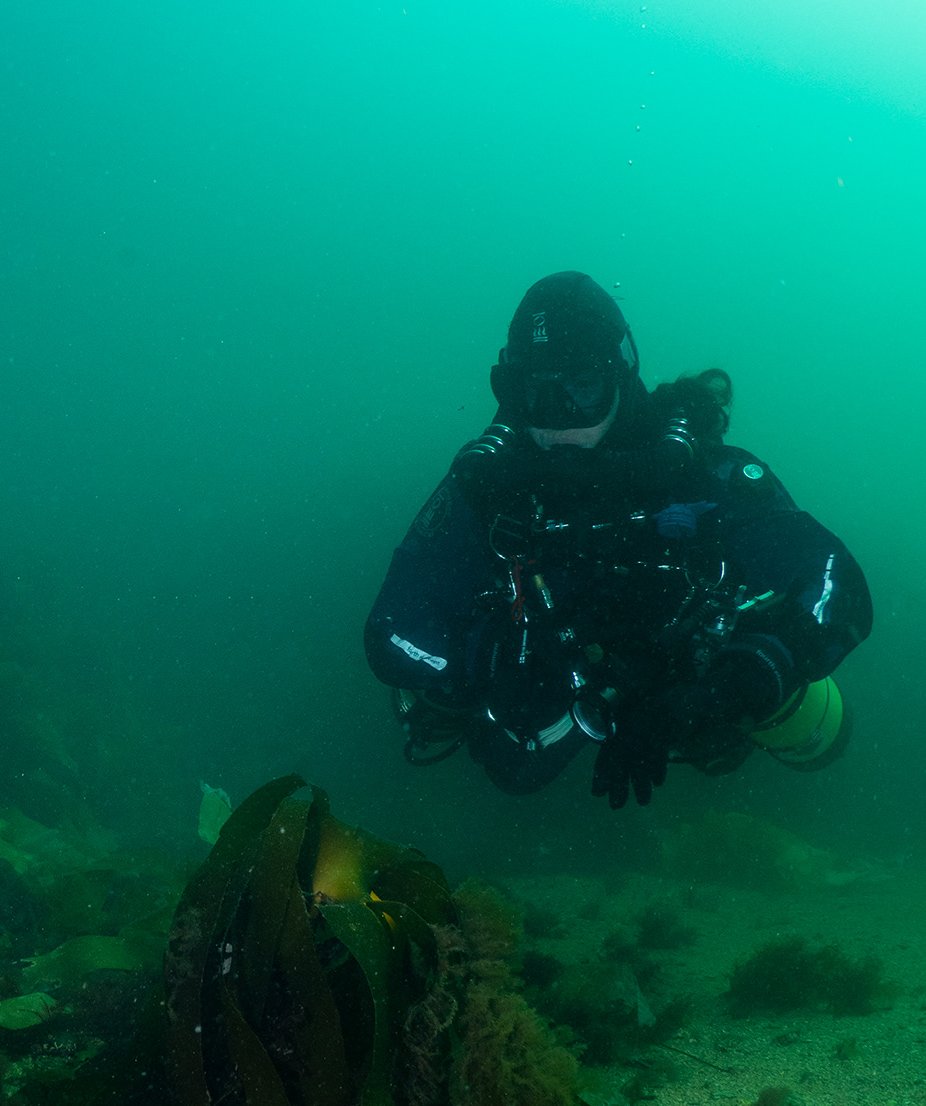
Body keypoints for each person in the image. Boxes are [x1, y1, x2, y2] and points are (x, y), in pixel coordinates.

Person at [364, 272, 871, 808]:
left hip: (684, 687)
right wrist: (485, 664)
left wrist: (712, 696)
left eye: (582, 388)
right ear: (509, 391)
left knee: (808, 729)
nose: (557, 419)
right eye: (534, 392)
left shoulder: (701, 477)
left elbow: (839, 587)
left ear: (621, 378)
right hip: (544, 684)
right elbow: (390, 631)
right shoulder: (489, 485)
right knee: (503, 760)